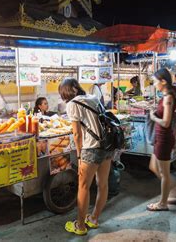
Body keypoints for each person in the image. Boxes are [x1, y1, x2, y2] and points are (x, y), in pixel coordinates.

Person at [59, 78, 113, 236]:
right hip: (107, 146)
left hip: (91, 149)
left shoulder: (72, 104)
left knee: (83, 187)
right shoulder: (93, 97)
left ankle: (80, 226)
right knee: (102, 184)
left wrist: (79, 155)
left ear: (65, 92)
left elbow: (76, 134)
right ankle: (94, 219)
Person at [147, 69, 176, 211]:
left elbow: (166, 122)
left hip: (164, 138)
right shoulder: (165, 96)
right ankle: (171, 192)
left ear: (163, 81)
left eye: (155, 81)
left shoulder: (168, 98)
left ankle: (163, 203)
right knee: (153, 167)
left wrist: (153, 117)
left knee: (164, 173)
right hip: (159, 137)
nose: (154, 84)